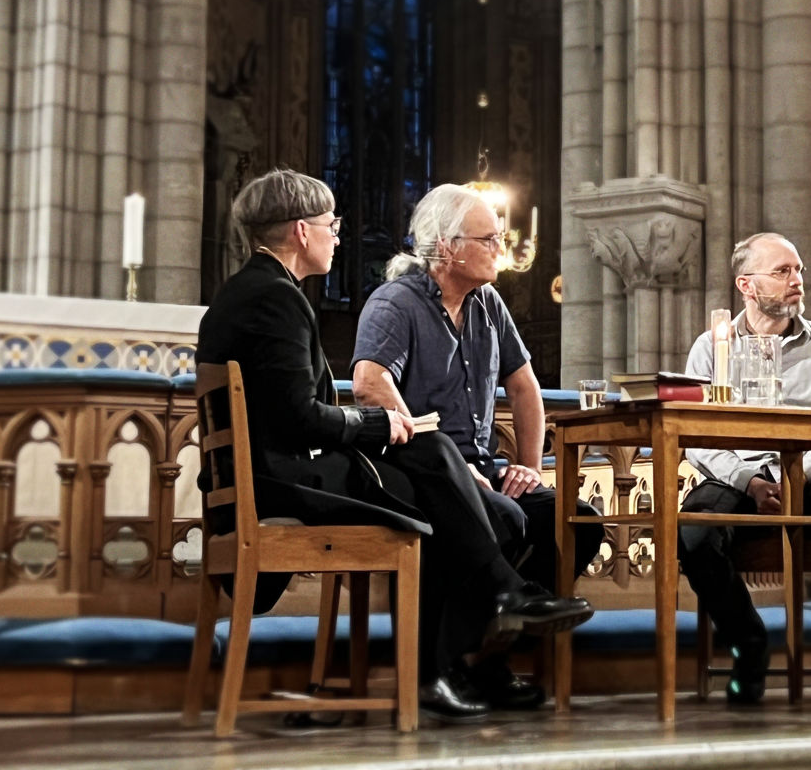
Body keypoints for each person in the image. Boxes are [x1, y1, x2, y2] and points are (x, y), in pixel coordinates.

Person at [196, 169, 592, 724]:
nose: (339, 235)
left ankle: (491, 631)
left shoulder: (262, 292)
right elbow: (299, 418)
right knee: (432, 464)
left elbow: (296, 413)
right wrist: (377, 426)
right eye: (332, 225)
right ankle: (458, 646)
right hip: (281, 481)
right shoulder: (275, 300)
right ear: (302, 231)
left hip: (281, 472)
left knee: (466, 480)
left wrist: (385, 429)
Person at [351, 183, 605, 710]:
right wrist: (455, 469)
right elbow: (369, 383)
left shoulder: (488, 304)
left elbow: (525, 387)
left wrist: (531, 467)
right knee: (501, 518)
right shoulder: (395, 302)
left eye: (501, 237)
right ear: (446, 248)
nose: (501, 249)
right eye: (489, 238)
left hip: (484, 467)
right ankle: (432, 672)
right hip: (417, 473)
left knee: (573, 520)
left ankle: (488, 661)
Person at [678, 232, 811, 708]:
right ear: (747, 284)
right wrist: (750, 482)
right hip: (738, 474)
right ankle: (749, 644)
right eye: (782, 271)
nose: (797, 280)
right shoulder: (710, 346)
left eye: (798, 270)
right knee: (694, 530)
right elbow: (695, 436)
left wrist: (798, 474)